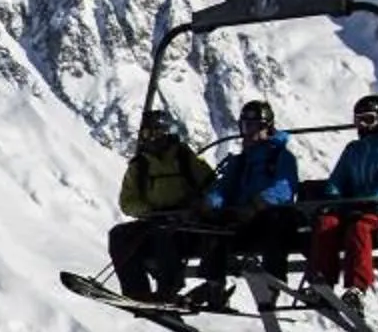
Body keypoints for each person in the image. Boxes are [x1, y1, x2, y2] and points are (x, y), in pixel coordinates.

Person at [186, 100, 300, 310]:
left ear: (267, 127)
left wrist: (258, 203)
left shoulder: (281, 157)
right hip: (241, 220)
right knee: (214, 225)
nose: (248, 132)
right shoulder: (240, 162)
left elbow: (285, 188)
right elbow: (224, 188)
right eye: (245, 126)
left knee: (276, 221)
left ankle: (272, 283)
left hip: (265, 217)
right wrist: (209, 203)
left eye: (253, 126)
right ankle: (214, 285)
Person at [304, 94, 378, 304]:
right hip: (350, 209)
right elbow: (337, 179)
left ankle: (357, 287)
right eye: (358, 120)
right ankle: (321, 282)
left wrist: (368, 201)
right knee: (327, 223)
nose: (363, 125)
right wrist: (333, 199)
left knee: (359, 228)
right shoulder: (354, 149)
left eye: (368, 119)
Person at [109, 109, 216, 302]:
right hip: (155, 219)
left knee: (163, 232)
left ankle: (169, 287)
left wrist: (196, 205)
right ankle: (137, 291)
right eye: (146, 134)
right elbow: (127, 202)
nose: (151, 139)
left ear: (166, 132)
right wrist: (149, 211)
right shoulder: (140, 166)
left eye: (155, 133)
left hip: (189, 225)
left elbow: (211, 184)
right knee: (119, 236)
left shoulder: (184, 158)